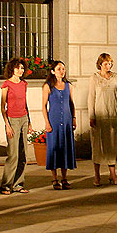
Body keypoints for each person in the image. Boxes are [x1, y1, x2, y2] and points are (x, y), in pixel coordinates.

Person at [88, 53, 117, 186]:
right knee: (97, 146)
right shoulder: (94, 78)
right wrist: (91, 116)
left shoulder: (116, 78)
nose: (108, 66)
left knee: (112, 146)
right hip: (99, 116)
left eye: (110, 63)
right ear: (100, 64)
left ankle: (113, 175)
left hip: (112, 116)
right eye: (105, 63)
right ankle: (97, 176)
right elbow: (91, 97)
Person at [42, 60, 76, 190]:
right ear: (52, 71)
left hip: (67, 120)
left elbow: (71, 103)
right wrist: (47, 122)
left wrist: (74, 118)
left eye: (63, 69)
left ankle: (64, 177)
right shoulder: (48, 86)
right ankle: (54, 178)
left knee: (65, 147)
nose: (62, 71)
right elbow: (44, 106)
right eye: (59, 69)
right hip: (54, 120)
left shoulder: (68, 86)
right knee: (54, 147)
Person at [0, 57, 32, 195]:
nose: (20, 70)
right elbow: (3, 107)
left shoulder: (24, 84)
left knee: (23, 153)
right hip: (12, 120)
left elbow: (25, 104)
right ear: (12, 69)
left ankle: (18, 183)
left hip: (23, 118)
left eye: (22, 68)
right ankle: (6, 185)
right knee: (13, 154)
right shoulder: (6, 85)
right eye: (18, 68)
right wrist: (7, 125)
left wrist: (29, 121)